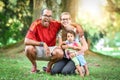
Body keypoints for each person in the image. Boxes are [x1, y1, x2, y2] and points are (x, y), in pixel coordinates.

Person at [24, 8, 64, 73]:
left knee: (60, 53)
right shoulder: (35, 24)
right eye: (45, 15)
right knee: (28, 48)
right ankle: (34, 65)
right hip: (38, 48)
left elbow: (66, 24)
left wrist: (78, 26)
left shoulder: (55, 23)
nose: (47, 18)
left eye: (49, 16)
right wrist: (43, 44)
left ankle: (49, 66)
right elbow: (26, 41)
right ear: (41, 16)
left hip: (51, 49)